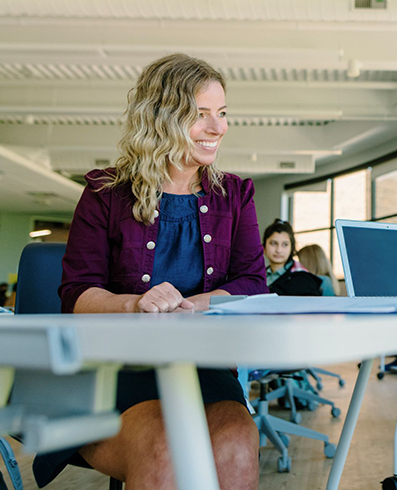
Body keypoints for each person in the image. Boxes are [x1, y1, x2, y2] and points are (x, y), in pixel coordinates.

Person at [44, 53, 267, 490]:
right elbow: (77, 293)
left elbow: (251, 284)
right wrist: (135, 304)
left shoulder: (235, 195)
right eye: (200, 115)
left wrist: (190, 305)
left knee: (239, 443)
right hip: (118, 369)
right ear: (161, 117)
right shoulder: (103, 193)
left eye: (222, 114)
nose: (218, 127)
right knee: (164, 449)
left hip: (205, 367)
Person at [262, 219, 322, 296]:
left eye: (285, 244)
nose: (279, 250)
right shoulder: (258, 276)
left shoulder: (303, 279)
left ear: (291, 249)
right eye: (273, 243)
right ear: (263, 247)